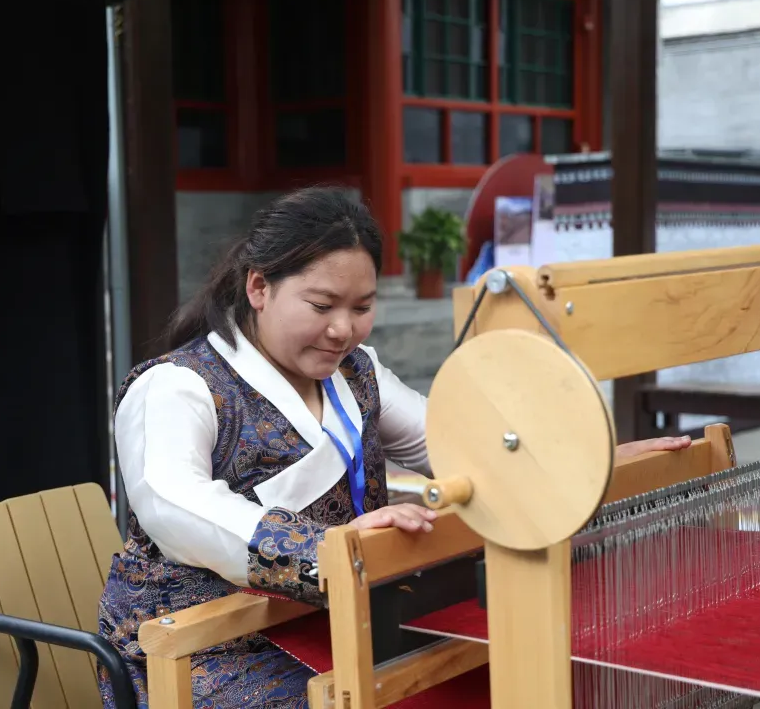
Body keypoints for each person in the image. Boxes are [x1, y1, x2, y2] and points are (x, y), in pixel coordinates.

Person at [96, 186, 691, 708]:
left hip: (340, 617)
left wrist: (585, 466)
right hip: (201, 644)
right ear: (259, 287)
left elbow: (458, 445)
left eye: (362, 307)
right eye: (321, 306)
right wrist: (328, 548)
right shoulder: (177, 386)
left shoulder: (357, 374)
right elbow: (175, 507)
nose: (343, 329)